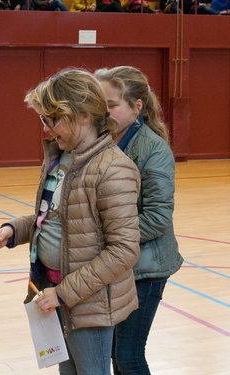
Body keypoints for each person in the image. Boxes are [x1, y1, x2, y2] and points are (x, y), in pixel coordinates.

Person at [0, 69, 141, 375]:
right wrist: (14, 230)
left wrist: (64, 292)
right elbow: (55, 218)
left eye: (52, 119)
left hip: (89, 305)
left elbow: (124, 250)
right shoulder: (61, 159)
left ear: (83, 115)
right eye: (43, 120)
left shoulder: (113, 169)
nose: (47, 129)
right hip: (52, 292)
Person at [95, 66, 183, 375]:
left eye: (111, 105)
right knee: (115, 353)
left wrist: (108, 239)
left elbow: (157, 217)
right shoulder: (102, 142)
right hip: (118, 264)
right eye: (98, 104)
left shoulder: (153, 149)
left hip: (146, 269)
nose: (103, 112)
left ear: (137, 107)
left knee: (128, 356)